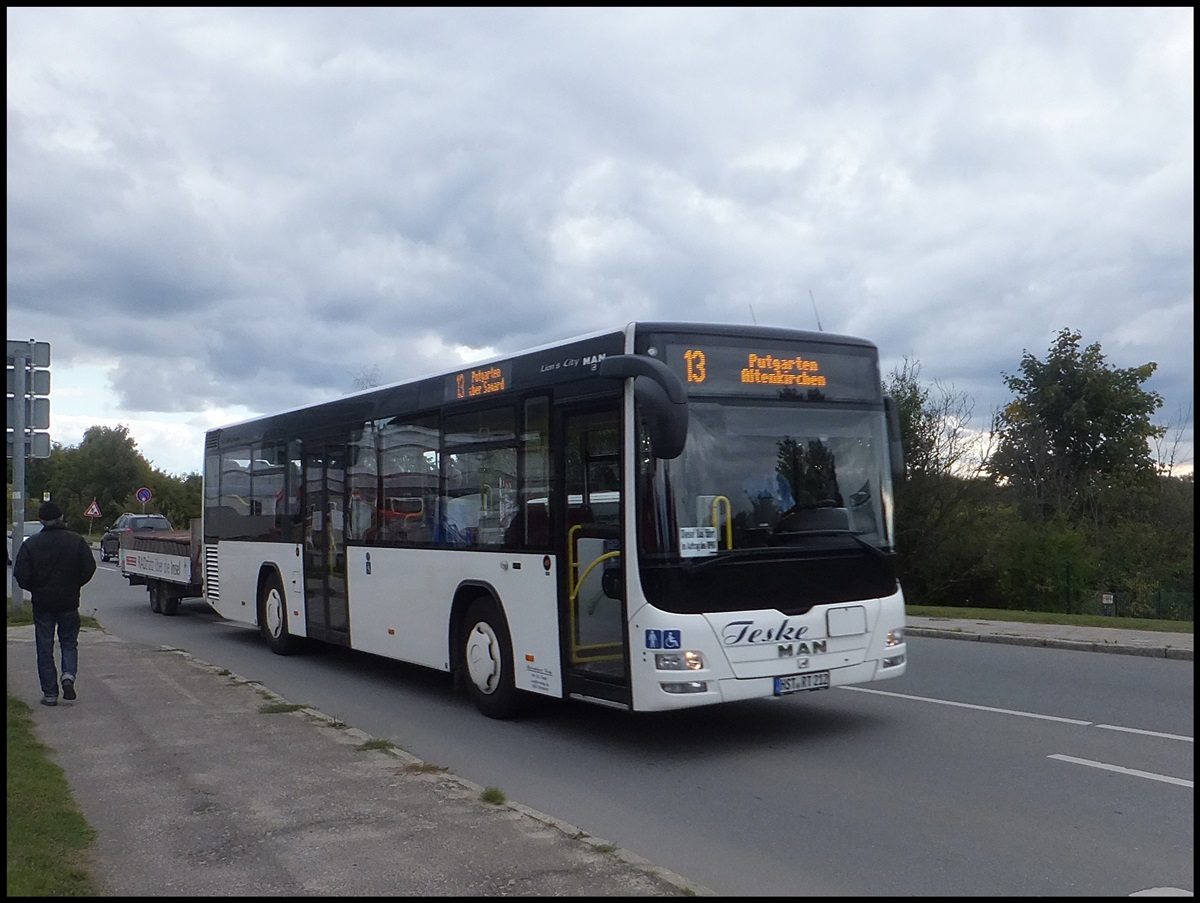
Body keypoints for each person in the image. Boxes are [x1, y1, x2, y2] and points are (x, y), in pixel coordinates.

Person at [12, 501, 97, 707]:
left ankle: (50, 693)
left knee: (44, 646)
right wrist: (74, 584)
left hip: (42, 604)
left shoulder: (31, 544)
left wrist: (35, 588)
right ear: (61, 518)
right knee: (69, 642)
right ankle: (68, 675)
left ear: (41, 520)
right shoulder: (76, 541)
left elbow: (20, 574)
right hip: (69, 602)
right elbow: (89, 567)